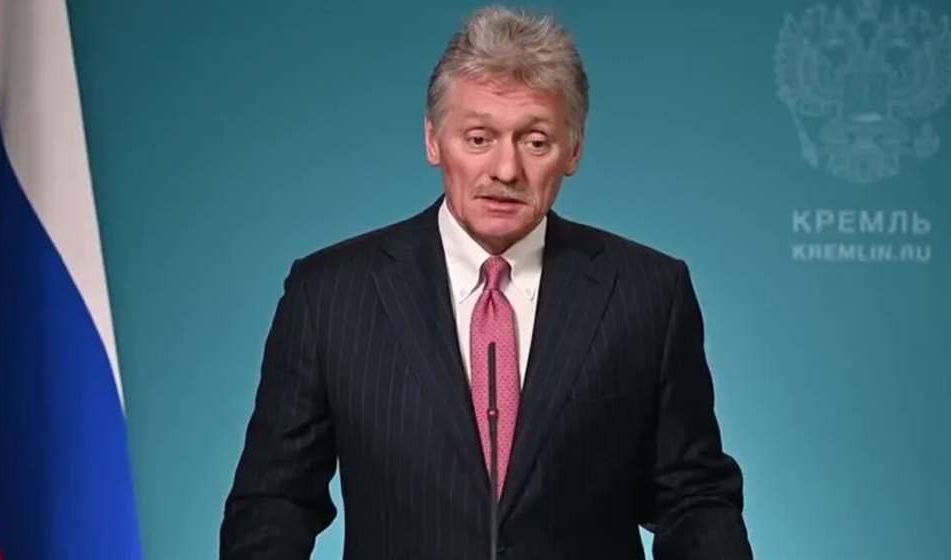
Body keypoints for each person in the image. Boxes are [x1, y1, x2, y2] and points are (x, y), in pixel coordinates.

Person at [219, 5, 753, 560]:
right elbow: (274, 504)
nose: (505, 170)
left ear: (573, 149)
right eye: (478, 138)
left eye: (535, 141)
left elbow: (694, 498)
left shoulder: (649, 293)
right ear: (433, 141)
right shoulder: (328, 296)